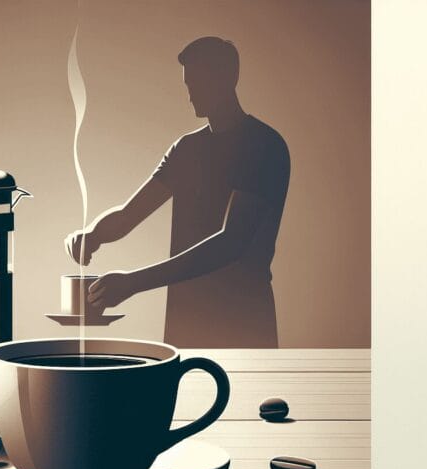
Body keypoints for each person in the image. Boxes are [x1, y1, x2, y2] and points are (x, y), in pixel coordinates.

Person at [64, 36, 290, 348]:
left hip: (244, 323)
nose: (190, 96)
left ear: (228, 77)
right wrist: (93, 234)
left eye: (197, 84)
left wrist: (132, 283)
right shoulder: (186, 149)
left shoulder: (264, 147)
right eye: (188, 85)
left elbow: (231, 242)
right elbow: (129, 215)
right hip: (186, 325)